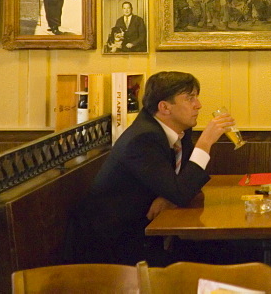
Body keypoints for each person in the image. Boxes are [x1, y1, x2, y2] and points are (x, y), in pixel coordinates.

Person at [67, 71, 235, 265]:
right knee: (216, 256)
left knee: (223, 250)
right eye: (190, 98)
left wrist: (169, 197)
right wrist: (205, 142)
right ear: (164, 107)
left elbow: (185, 186)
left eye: (196, 97)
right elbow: (182, 190)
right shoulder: (143, 139)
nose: (198, 105)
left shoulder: (179, 130)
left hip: (146, 233)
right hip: (112, 247)